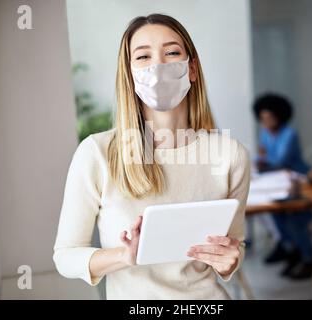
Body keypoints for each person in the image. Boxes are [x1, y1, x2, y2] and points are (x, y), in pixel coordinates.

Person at [53, 14, 251, 299]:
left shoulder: (230, 154)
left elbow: (235, 247)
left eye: (171, 52)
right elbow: (65, 257)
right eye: (143, 57)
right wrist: (124, 256)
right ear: (129, 72)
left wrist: (230, 260)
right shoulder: (97, 153)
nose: (158, 65)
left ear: (192, 68)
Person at [253, 94, 312, 279]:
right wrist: (262, 161)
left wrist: (264, 162)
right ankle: (288, 247)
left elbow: (280, 160)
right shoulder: (265, 133)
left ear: (279, 116)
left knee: (294, 217)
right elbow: (262, 158)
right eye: (262, 118)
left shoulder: (289, 134)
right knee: (273, 211)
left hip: (297, 180)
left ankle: (306, 256)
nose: (265, 122)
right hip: (276, 180)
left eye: (269, 117)